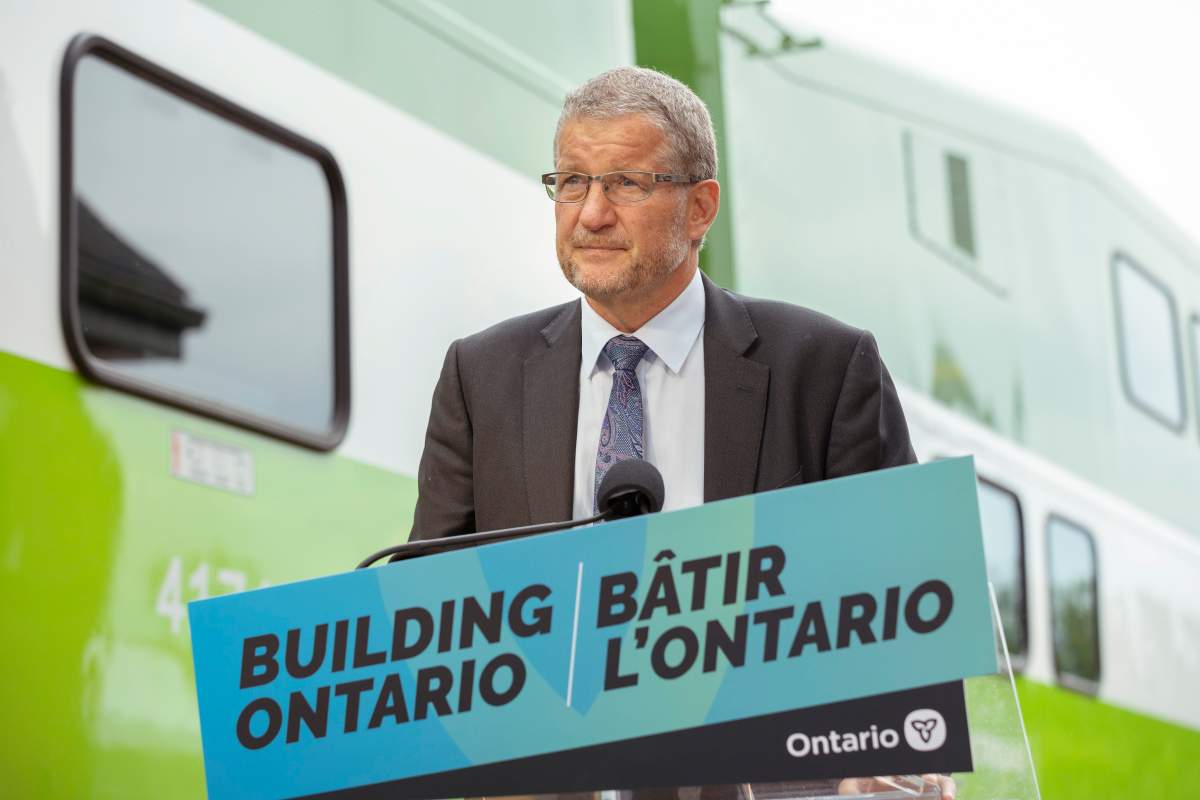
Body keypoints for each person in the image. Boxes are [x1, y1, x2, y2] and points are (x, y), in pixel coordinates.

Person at [410, 66, 952, 799]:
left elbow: (897, 604)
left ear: (700, 208)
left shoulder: (823, 370)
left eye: (626, 183)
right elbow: (430, 611)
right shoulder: (482, 375)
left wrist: (897, 753)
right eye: (571, 182)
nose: (590, 213)